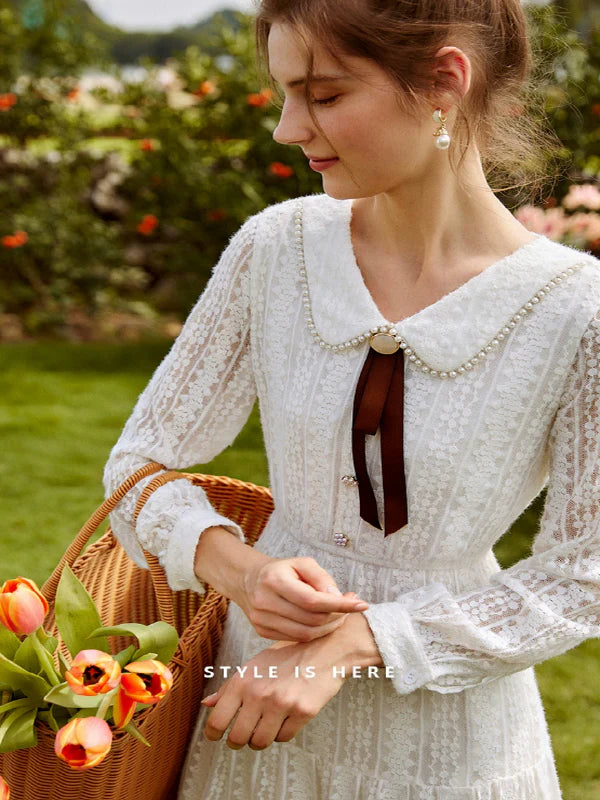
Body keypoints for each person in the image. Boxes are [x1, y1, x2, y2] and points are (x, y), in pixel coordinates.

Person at [103, 0, 600, 797]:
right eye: (287, 94)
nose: (287, 128)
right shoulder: (275, 252)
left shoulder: (576, 311)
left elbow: (585, 571)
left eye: (324, 95)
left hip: (452, 743)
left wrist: (360, 640)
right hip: (249, 712)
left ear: (444, 81)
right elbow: (138, 465)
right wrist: (238, 570)